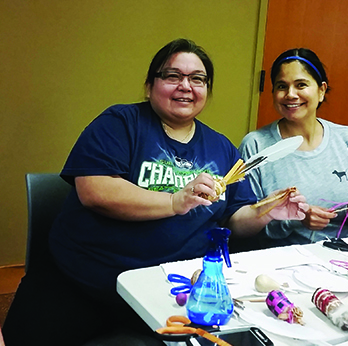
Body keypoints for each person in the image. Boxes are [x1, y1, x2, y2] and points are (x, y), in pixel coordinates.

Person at [3, 39, 308, 346]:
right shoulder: (120, 123)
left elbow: (235, 219)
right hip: (82, 281)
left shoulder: (222, 149)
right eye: (172, 76)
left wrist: (263, 213)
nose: (185, 86)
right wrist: (176, 201)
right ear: (150, 86)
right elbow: (95, 190)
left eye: (197, 79)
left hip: (165, 292)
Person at [239, 47, 348, 248]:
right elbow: (245, 225)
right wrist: (295, 219)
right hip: (283, 256)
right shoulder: (256, 145)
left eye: (301, 85)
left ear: (321, 90)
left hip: (346, 250)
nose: (291, 94)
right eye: (282, 86)